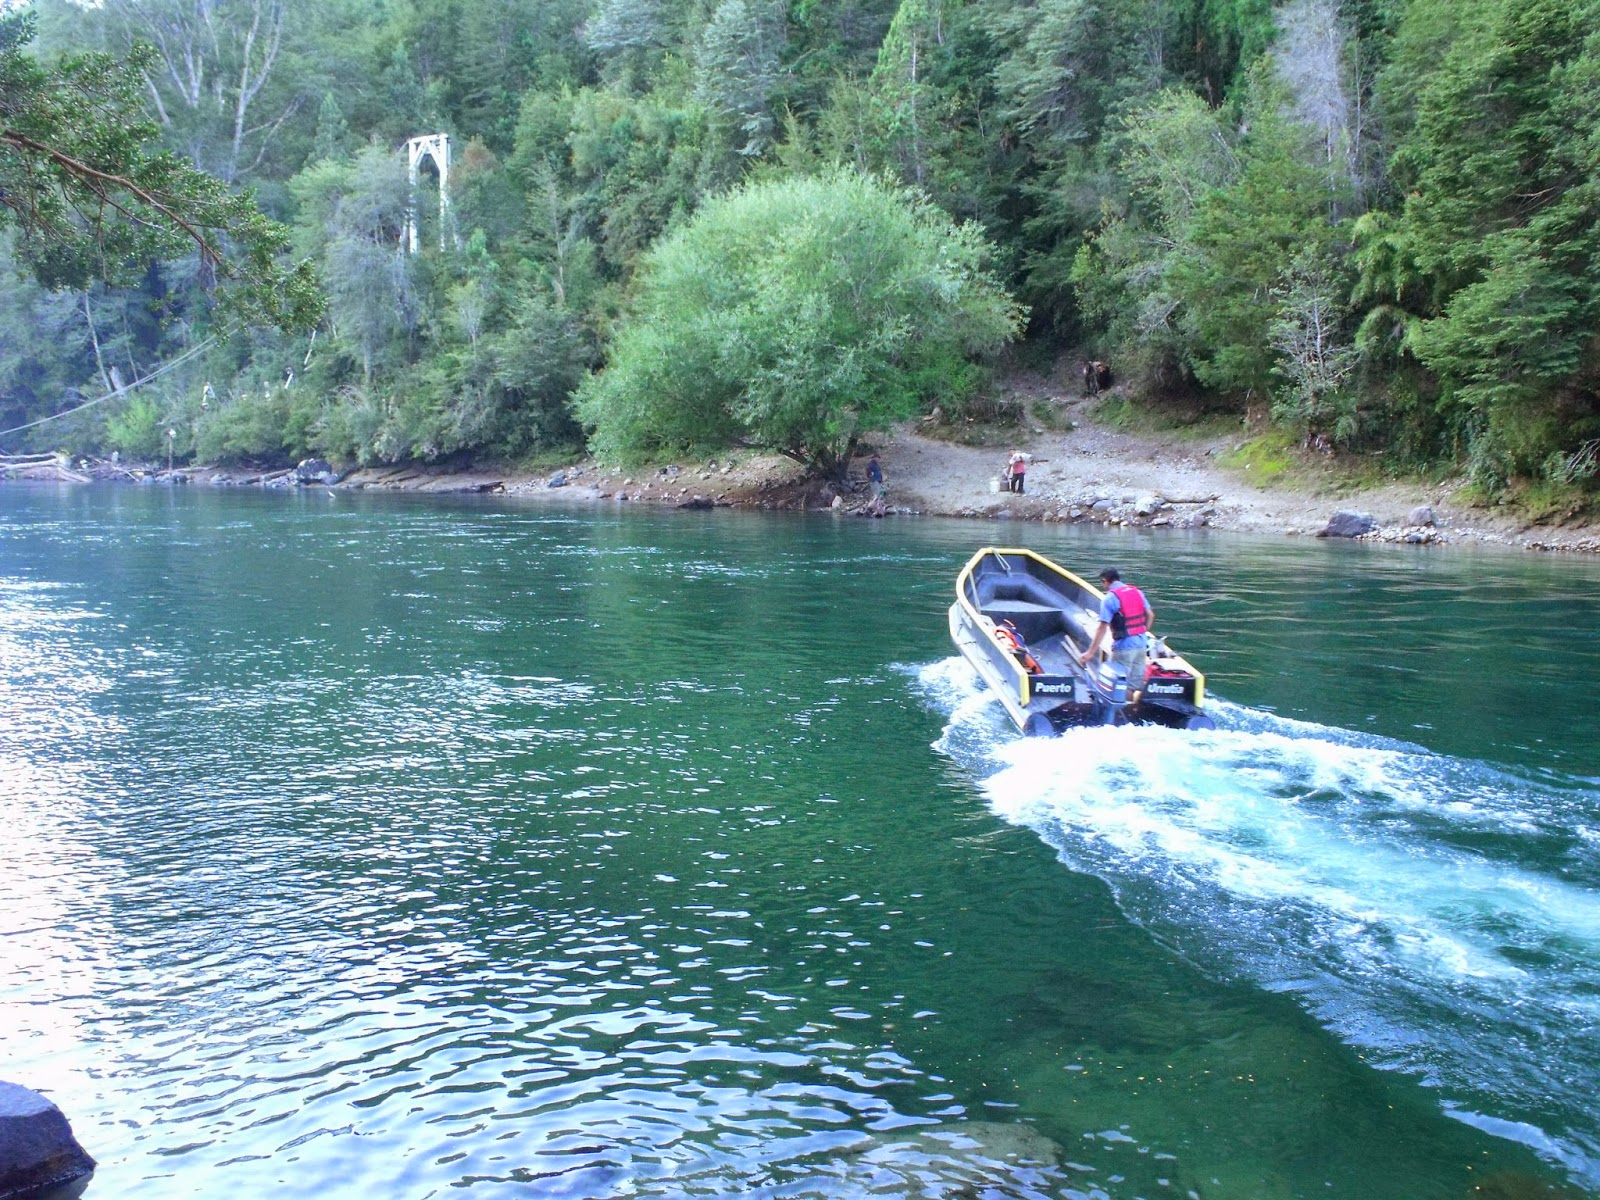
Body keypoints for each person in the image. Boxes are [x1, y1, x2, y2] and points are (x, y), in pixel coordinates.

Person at [1078, 567, 1153, 702]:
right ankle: (1134, 712)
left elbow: (1102, 627)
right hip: (1141, 645)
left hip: (1124, 646)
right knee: (1135, 686)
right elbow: (1150, 615)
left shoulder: (1110, 598)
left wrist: (1090, 653)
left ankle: (1118, 714)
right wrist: (1141, 632)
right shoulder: (1137, 592)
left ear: (1105, 581)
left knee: (1119, 684)